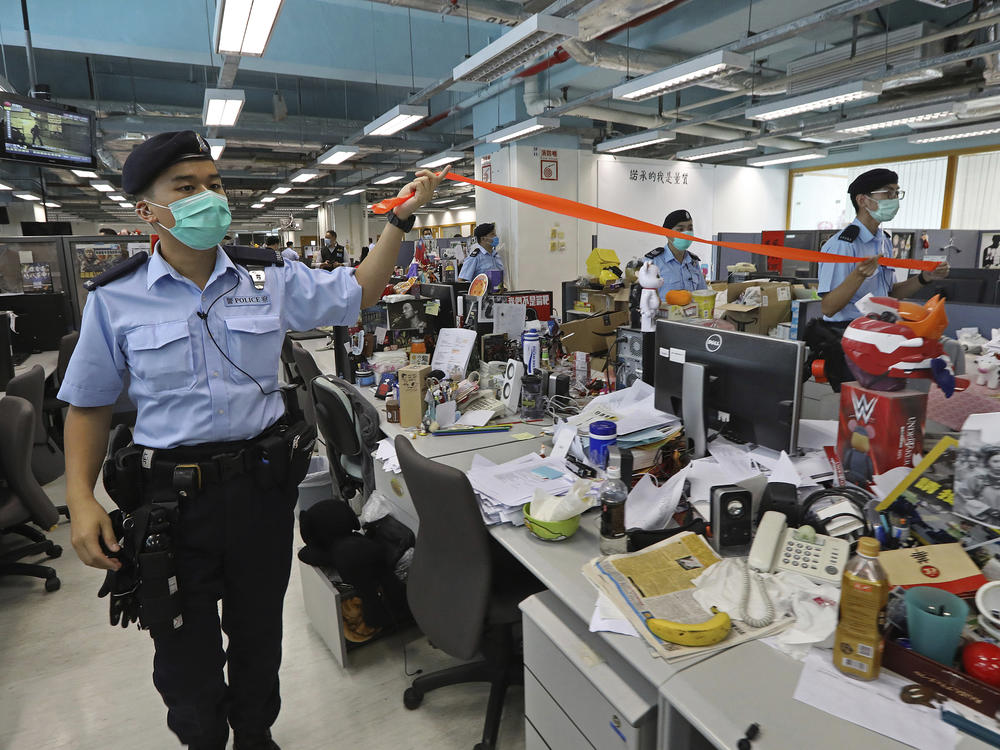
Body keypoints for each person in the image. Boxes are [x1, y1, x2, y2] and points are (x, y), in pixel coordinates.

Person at [57, 129, 443, 750]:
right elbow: (89, 404)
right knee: (184, 651)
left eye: (212, 185)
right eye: (184, 188)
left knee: (260, 632)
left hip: (261, 492)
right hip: (171, 503)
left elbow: (359, 293)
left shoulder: (270, 279)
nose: (205, 198)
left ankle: (256, 736)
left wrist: (398, 218)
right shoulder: (116, 298)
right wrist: (80, 499)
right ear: (146, 209)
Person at [818, 168, 949, 323]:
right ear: (862, 200)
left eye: (896, 193)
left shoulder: (883, 240)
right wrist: (859, 275)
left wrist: (925, 277)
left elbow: (888, 294)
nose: (894, 199)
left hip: (878, 327)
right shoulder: (843, 245)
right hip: (846, 331)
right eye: (888, 192)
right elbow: (828, 308)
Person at [643, 209, 707, 301]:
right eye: (680, 229)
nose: (686, 233)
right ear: (667, 233)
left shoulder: (693, 262)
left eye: (690, 228)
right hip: (664, 314)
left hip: (692, 314)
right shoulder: (653, 262)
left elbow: (703, 294)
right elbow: (645, 299)